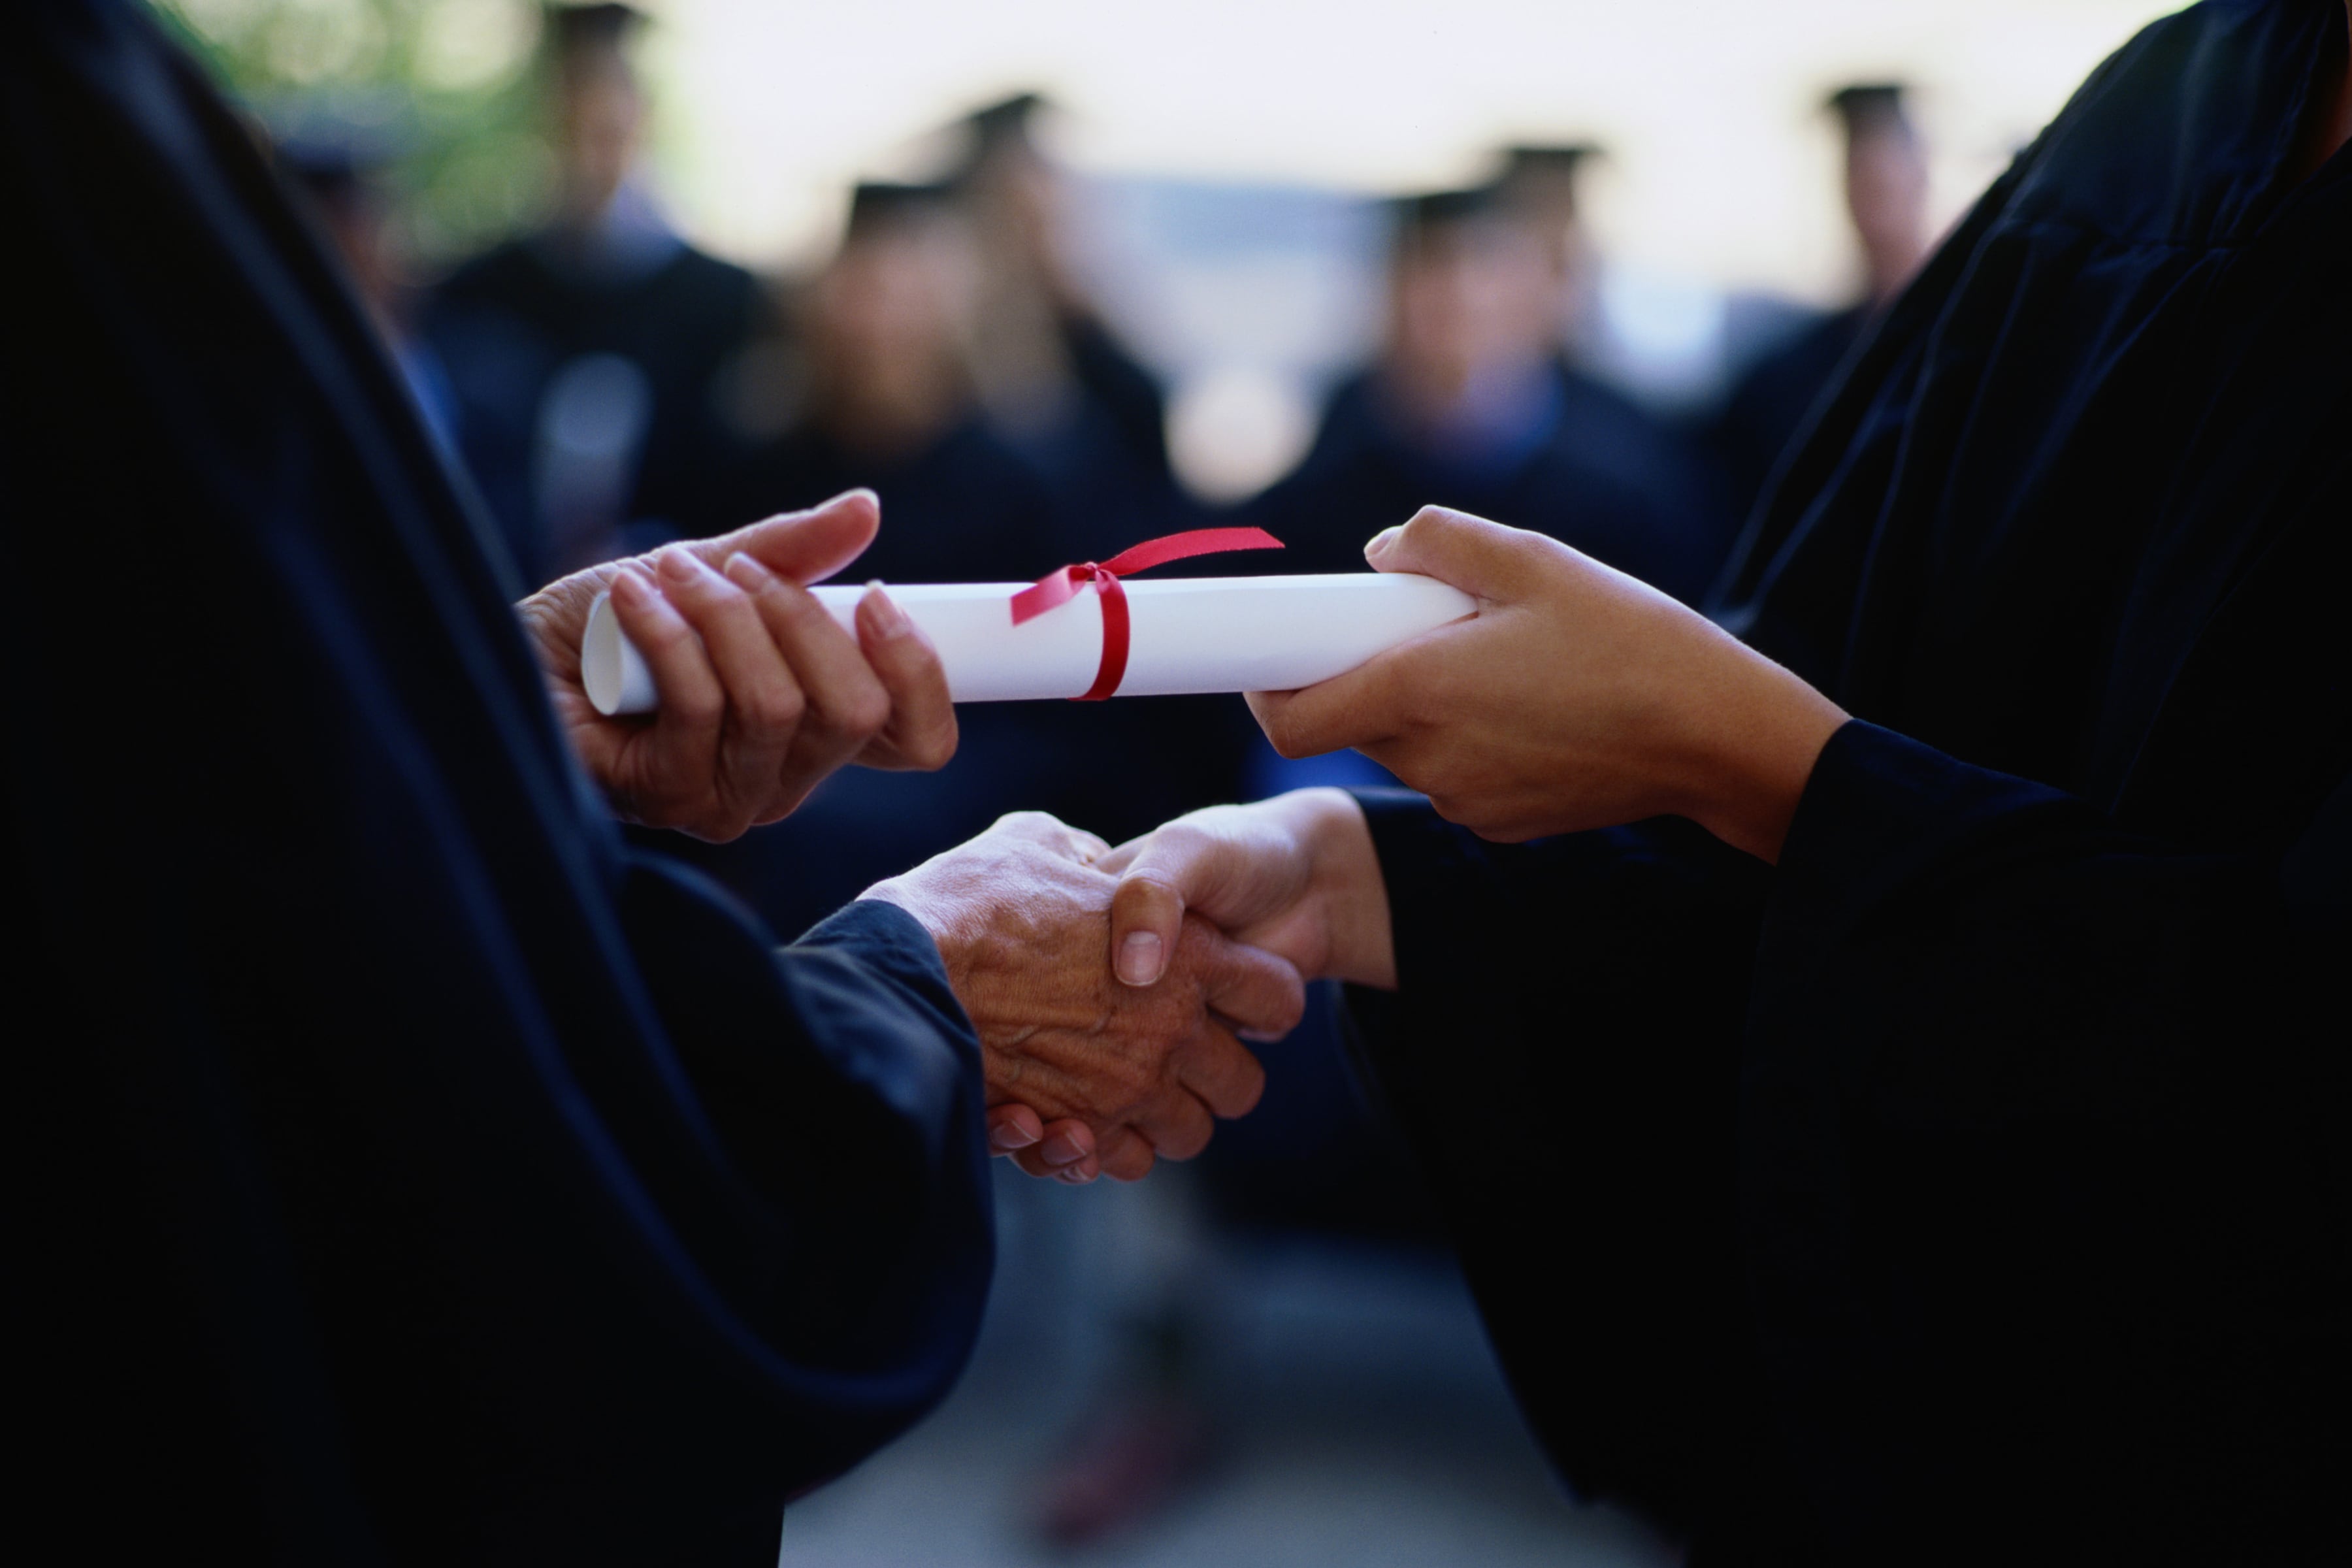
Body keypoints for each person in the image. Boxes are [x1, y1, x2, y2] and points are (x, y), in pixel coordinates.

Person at [1008, 0, 2352, 1558]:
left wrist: (1739, 753)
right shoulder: (2166, 109)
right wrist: (1362, 869)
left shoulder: (1632, 468)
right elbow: (1808, 734)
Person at [9, 3, 1299, 1560]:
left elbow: (174, 754)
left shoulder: (1039, 456)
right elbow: (465, 1142)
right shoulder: (67, 165)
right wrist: (910, 987)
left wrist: (497, 705)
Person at [1244, 186, 1725, 604]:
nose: (1461, 293)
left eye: (1488, 267)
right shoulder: (1323, 495)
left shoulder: (1631, 492)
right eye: (1431, 268)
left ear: (1544, 292)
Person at [421, 2, 764, 585]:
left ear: (641, 120)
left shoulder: (726, 302)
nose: (591, 147)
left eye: (609, 123)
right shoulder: (478, 292)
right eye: (573, 120)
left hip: (675, 598)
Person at [1710, 82, 1933, 525]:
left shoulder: (1977, 342)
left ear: (1920, 174)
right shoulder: (1783, 381)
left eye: (1886, 175)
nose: (1875, 198)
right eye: (1859, 175)